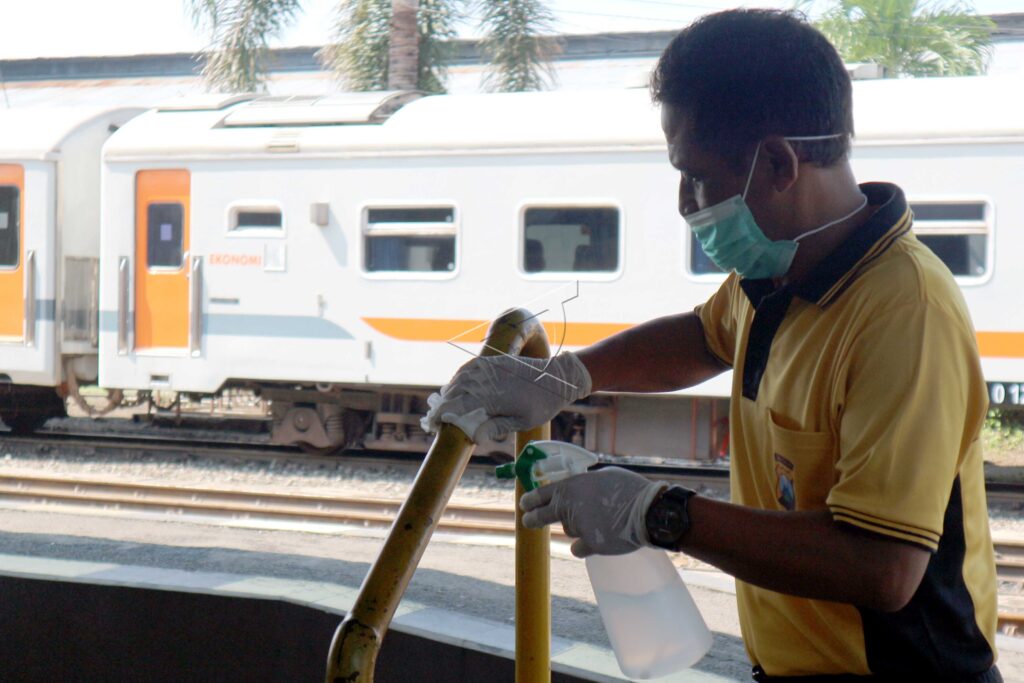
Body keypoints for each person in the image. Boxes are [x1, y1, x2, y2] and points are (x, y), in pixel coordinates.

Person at [423, 9, 1001, 682]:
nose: (682, 202)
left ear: (780, 162)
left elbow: (884, 566)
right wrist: (563, 375)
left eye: (694, 175)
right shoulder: (779, 269)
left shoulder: (904, 312)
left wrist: (656, 510)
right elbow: (703, 336)